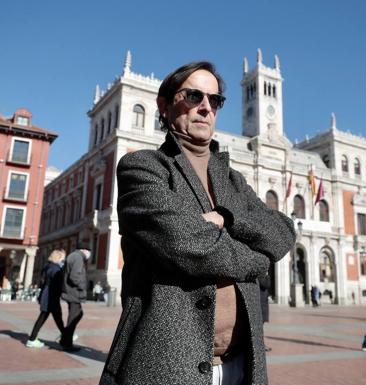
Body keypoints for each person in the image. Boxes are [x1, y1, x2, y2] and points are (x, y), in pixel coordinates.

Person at [98, 61, 296, 385]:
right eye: (193, 96)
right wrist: (260, 259)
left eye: (214, 100)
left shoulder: (234, 180)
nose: (205, 107)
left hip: (242, 366)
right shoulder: (142, 168)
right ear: (164, 106)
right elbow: (190, 245)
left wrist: (227, 219)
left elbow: (284, 231)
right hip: (165, 368)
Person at [26, 249, 66, 348]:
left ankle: (66, 336)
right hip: (51, 297)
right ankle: (31, 339)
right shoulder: (55, 269)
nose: (63, 261)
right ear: (59, 258)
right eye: (62, 259)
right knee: (48, 317)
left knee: (54, 318)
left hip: (48, 296)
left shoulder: (49, 267)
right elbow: (58, 285)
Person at [60, 243, 91, 351]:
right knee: (73, 317)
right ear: (84, 250)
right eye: (89, 251)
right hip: (74, 293)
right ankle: (67, 342)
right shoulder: (78, 258)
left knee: (76, 315)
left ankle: (65, 339)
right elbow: (74, 277)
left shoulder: (72, 256)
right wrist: (83, 287)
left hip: (70, 292)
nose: (89, 254)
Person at [258, 271, 271, 352]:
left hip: (262, 304)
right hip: (261, 305)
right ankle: (261, 345)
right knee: (260, 327)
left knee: (260, 327)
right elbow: (266, 284)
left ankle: (261, 344)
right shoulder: (261, 276)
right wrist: (267, 275)